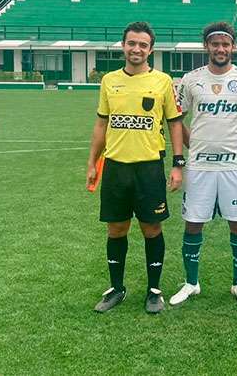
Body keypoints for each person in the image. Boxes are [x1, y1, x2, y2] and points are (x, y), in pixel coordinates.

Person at [86, 21, 184, 314]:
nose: (137, 49)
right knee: (116, 229)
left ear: (151, 49)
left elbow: (175, 123)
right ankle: (117, 288)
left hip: (149, 168)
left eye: (143, 44)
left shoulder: (163, 82)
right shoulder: (109, 80)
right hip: (116, 167)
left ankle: (154, 290)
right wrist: (92, 162)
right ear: (123, 46)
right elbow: (102, 123)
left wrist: (178, 164)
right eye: (132, 43)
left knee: (151, 228)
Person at [170, 22, 237, 307]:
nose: (221, 49)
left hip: (233, 166)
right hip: (199, 167)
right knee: (193, 224)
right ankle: (191, 283)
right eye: (215, 44)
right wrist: (193, 145)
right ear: (206, 47)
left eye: (226, 44)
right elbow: (176, 119)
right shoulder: (190, 80)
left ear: (233, 47)